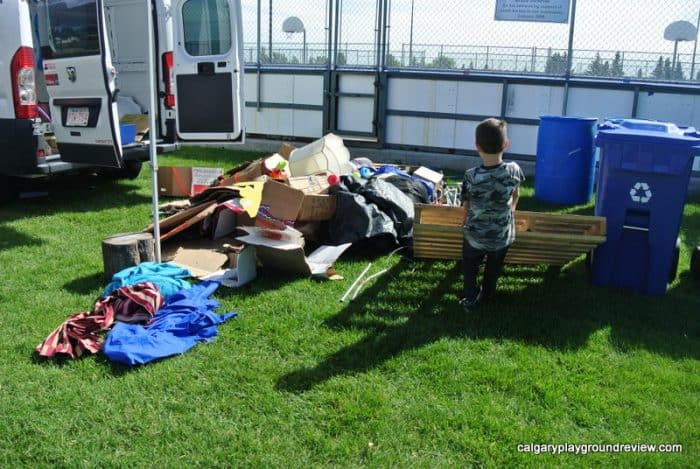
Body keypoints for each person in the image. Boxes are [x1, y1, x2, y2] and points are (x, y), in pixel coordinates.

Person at [459, 118, 525, 311]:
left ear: (477, 146)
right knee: (493, 267)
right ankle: (487, 294)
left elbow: (466, 205)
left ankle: (470, 300)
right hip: (502, 235)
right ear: (506, 144)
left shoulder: (470, 176)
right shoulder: (514, 170)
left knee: (470, 267)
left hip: (475, 235)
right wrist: (511, 210)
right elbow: (516, 194)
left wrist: (463, 223)